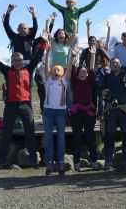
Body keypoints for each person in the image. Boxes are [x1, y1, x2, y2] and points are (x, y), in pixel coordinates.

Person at [0, 31, 48, 169]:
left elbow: (38, 56)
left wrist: (44, 41)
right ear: (11, 61)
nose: (17, 62)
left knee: (30, 133)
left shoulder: (29, 69)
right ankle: (3, 161)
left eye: (19, 60)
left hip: (25, 105)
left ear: (23, 61)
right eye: (14, 60)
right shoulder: (7, 71)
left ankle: (33, 159)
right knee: (6, 133)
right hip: (10, 105)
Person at [41, 42, 76, 176]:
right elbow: (46, 67)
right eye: (54, 70)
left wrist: (71, 56)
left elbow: (70, 69)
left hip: (61, 112)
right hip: (48, 111)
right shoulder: (48, 81)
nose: (56, 72)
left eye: (58, 70)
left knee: (61, 137)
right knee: (48, 137)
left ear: (61, 73)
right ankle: (49, 163)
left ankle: (61, 163)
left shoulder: (64, 81)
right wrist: (48, 52)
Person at [100, 58, 126, 172]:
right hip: (111, 109)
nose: (115, 65)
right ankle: (109, 161)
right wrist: (105, 94)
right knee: (109, 136)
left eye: (117, 63)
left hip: (124, 109)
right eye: (113, 63)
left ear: (120, 65)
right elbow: (102, 91)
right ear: (110, 65)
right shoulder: (107, 77)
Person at [70, 44, 99, 171]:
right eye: (80, 72)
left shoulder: (90, 80)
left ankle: (93, 161)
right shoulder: (74, 81)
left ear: (87, 74)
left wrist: (92, 54)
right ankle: (76, 163)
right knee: (76, 137)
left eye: (84, 72)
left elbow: (92, 67)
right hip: (76, 112)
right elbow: (73, 66)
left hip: (88, 112)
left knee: (90, 136)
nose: (82, 73)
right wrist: (74, 55)